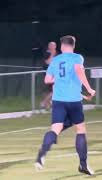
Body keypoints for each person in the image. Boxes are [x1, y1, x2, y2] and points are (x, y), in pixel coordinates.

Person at [34, 35, 96, 175]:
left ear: (62, 46)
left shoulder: (55, 60)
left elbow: (47, 79)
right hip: (73, 102)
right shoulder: (77, 58)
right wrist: (89, 88)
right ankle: (83, 165)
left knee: (55, 128)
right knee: (80, 130)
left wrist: (62, 79)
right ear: (73, 46)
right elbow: (79, 72)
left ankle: (41, 154)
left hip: (58, 101)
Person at [40, 42, 59, 110]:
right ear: (49, 46)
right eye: (51, 45)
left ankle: (46, 103)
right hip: (47, 73)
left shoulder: (57, 53)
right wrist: (51, 54)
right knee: (46, 90)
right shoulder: (47, 53)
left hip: (55, 74)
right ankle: (45, 103)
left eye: (54, 45)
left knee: (54, 90)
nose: (52, 47)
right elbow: (47, 62)